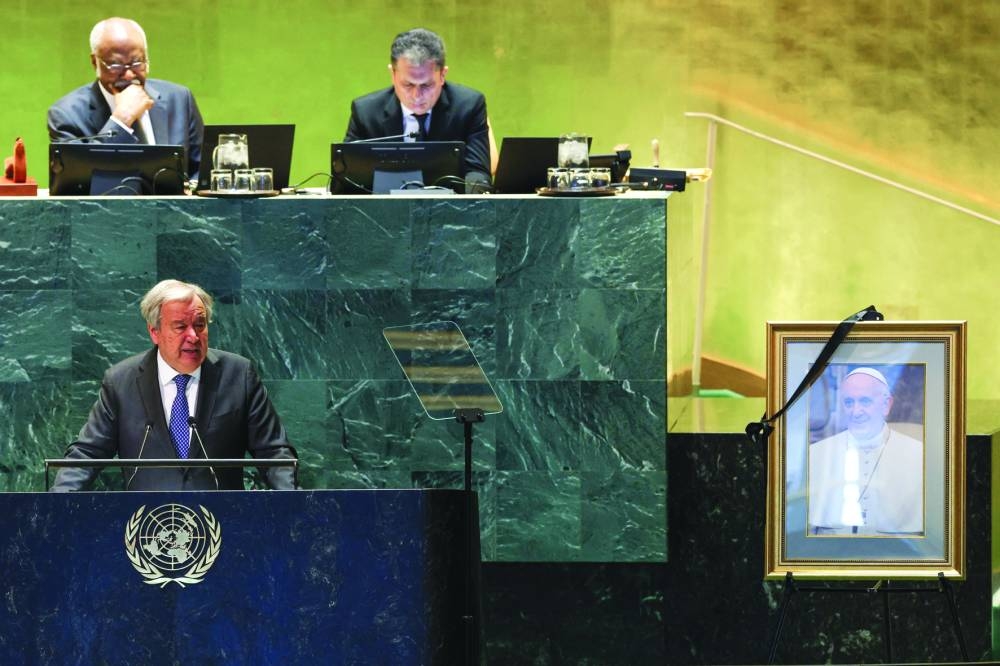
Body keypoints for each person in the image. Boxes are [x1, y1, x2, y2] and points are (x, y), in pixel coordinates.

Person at [51, 279, 298, 491]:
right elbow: (87, 454)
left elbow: (274, 454)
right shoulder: (121, 382)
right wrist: (55, 504)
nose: (193, 336)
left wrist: (295, 502)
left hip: (223, 526)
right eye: (180, 326)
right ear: (154, 332)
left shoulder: (238, 375)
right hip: (146, 530)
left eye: (200, 325)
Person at [47, 17, 204, 178]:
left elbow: (201, 171)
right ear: (95, 62)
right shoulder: (66, 114)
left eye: (137, 62)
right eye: (116, 65)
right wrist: (121, 121)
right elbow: (76, 178)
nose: (129, 75)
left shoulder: (179, 99)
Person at [344, 28, 491, 190]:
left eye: (427, 85)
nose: (417, 96)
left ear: (442, 74)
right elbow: (348, 179)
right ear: (393, 74)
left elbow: (477, 173)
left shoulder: (468, 106)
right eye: (408, 84)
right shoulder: (366, 112)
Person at [807, 367, 923, 535]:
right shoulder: (817, 453)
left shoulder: (917, 454)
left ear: (886, 405)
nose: (856, 412)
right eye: (848, 402)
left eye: (865, 401)